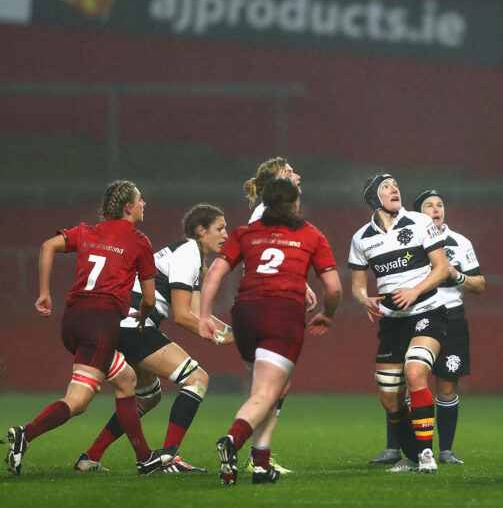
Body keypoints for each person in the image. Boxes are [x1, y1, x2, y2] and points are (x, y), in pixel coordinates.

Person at [3, 180, 171, 476]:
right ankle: (25, 434)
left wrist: (44, 293)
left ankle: (140, 458)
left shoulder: (88, 231)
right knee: (78, 401)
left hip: (73, 320)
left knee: (127, 380)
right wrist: (142, 315)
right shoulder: (139, 241)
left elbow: (47, 246)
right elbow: (147, 299)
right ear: (128, 207)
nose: (145, 204)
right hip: (101, 325)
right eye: (141, 199)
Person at [199, 177, 341, 486]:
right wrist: (327, 315)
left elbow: (214, 274)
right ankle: (232, 441)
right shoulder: (310, 234)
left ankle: (262, 465)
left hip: (246, 314)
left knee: (271, 389)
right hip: (282, 314)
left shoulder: (244, 233)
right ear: (294, 203)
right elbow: (333, 287)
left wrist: (204, 316)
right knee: (267, 392)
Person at [75, 204, 233, 473]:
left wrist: (229, 331)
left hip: (125, 323)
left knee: (148, 397)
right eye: (219, 228)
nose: (225, 234)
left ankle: (90, 457)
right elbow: (183, 317)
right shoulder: (188, 253)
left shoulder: (190, 256)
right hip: (134, 324)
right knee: (197, 379)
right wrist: (214, 335)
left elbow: (197, 312)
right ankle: (170, 457)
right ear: (201, 230)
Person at [370, 189, 485, 466]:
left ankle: (445, 450)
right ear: (417, 212)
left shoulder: (459, 242)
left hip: (452, 317)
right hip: (414, 315)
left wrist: (455, 275)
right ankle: (398, 449)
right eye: (429, 205)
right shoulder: (407, 236)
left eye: (440, 204)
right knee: (407, 382)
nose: (436, 209)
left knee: (446, 388)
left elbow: (479, 284)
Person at [350, 173, 453, 474]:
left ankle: (426, 455)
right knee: (389, 396)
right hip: (392, 323)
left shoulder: (420, 223)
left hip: (428, 312)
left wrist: (415, 291)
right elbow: (357, 285)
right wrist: (364, 299)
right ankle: (410, 456)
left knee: (415, 370)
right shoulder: (361, 239)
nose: (395, 188)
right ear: (373, 198)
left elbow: (443, 268)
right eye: (386, 186)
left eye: (396, 184)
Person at [241, 156, 314, 476]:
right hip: (267, 305)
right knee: (268, 387)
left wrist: (301, 283)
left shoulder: (271, 213)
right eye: (289, 172)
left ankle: (259, 455)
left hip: (262, 302)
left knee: (276, 387)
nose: (297, 175)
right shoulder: (266, 213)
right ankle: (248, 451)